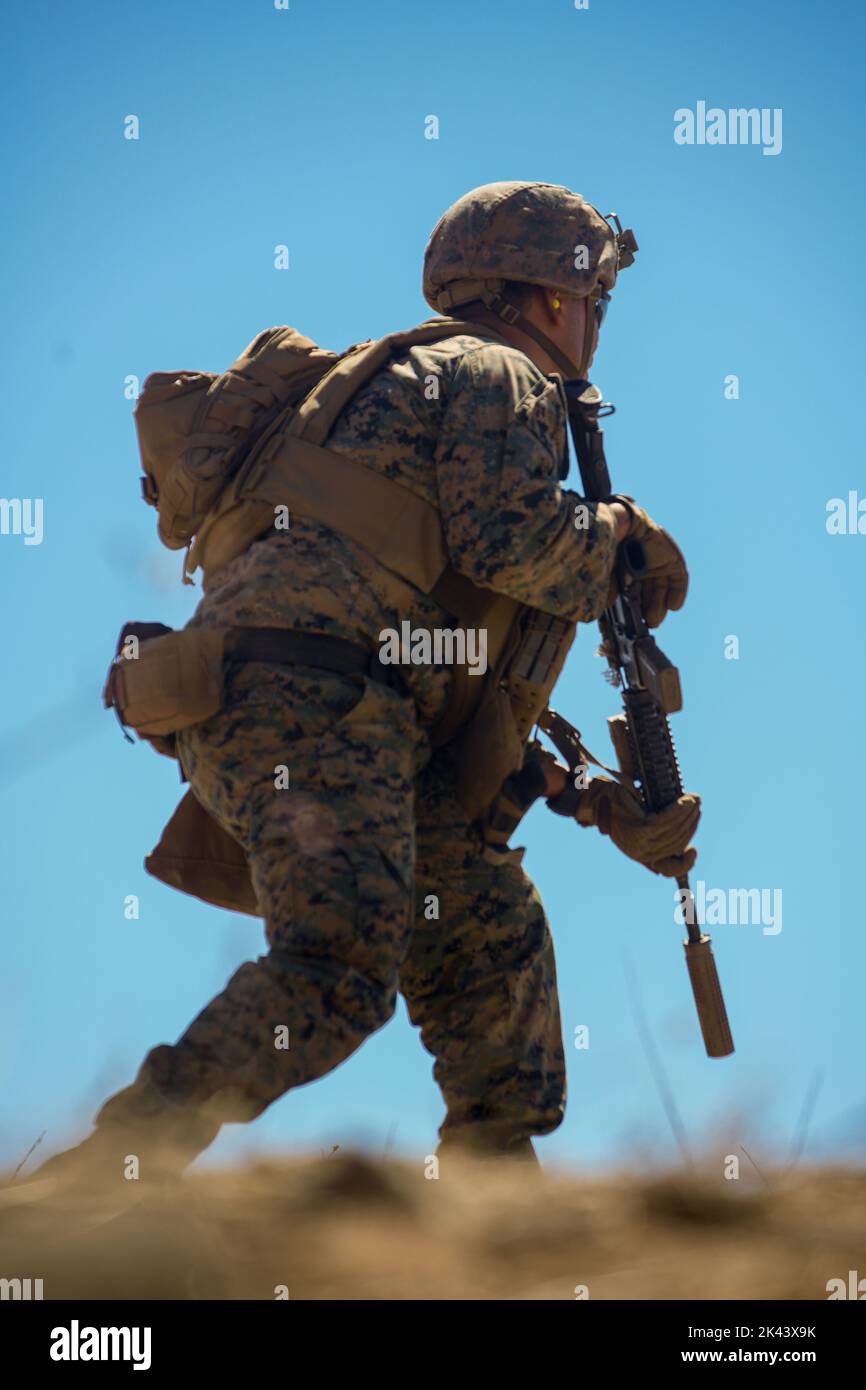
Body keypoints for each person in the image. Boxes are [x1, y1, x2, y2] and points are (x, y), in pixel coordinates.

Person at [32, 182, 698, 1188]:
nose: (596, 324)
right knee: (334, 972)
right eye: (594, 300)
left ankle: (492, 1208)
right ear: (552, 298)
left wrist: (596, 801)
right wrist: (623, 535)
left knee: (481, 918)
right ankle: (94, 1184)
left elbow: (442, 655)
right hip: (319, 703)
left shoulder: (386, 383)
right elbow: (516, 545)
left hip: (289, 701)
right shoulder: (497, 373)